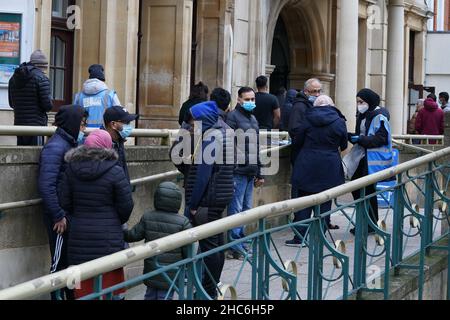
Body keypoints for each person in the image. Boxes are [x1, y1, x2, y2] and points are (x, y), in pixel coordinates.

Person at [60, 130, 134, 299]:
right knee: (111, 288)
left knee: (81, 290)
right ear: (107, 146)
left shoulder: (71, 170)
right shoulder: (115, 171)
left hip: (78, 237)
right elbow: (126, 205)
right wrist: (115, 221)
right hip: (109, 238)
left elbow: (65, 203)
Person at [184, 101, 234, 299]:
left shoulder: (211, 137)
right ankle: (210, 288)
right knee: (218, 245)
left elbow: (203, 176)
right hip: (220, 197)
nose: (192, 123)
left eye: (195, 120)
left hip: (207, 201)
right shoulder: (224, 133)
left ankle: (207, 290)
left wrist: (193, 205)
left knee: (210, 247)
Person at [37, 105, 87, 300]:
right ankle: (57, 296)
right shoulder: (55, 147)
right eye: (82, 124)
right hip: (60, 218)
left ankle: (71, 295)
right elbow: (46, 185)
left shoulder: (68, 144)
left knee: (71, 261)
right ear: (73, 123)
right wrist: (58, 214)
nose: (83, 129)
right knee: (59, 263)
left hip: (68, 214)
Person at [285, 95, 347, 246]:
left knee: (304, 201)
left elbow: (297, 141)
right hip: (330, 164)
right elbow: (344, 144)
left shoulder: (308, 118)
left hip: (307, 162)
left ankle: (300, 237)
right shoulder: (339, 121)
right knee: (325, 201)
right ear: (332, 105)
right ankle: (320, 236)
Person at [124, 182, 191, 300]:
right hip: (171, 272)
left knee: (150, 294)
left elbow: (133, 235)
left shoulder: (148, 217)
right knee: (165, 296)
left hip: (152, 268)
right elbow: (188, 249)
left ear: (157, 198)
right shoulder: (183, 222)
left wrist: (121, 230)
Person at [347, 88, 392, 235]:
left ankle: (370, 224)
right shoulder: (364, 115)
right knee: (359, 190)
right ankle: (365, 223)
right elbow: (363, 134)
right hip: (362, 156)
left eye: (361, 102)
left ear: (370, 102)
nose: (359, 104)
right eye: (358, 102)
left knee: (366, 191)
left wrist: (361, 139)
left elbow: (380, 138)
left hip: (371, 159)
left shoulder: (379, 116)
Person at [226, 87, 264, 258]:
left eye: (252, 99)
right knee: (236, 209)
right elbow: (229, 144)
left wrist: (259, 171)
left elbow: (257, 147)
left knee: (246, 209)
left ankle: (240, 241)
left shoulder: (254, 118)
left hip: (250, 171)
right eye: (247, 99)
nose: (250, 102)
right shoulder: (232, 117)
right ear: (239, 99)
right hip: (238, 170)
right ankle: (235, 246)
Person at [8, 50, 53, 146]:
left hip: (19, 125)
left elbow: (11, 104)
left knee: (21, 156)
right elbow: (47, 106)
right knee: (35, 157)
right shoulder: (41, 78)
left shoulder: (13, 78)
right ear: (43, 66)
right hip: (36, 127)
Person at [73, 64, 121, 128]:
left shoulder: (78, 96)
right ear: (102, 79)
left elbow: (74, 117)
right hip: (104, 134)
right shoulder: (110, 94)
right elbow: (120, 115)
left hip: (84, 134)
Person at [288, 78, 323, 165]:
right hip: (302, 153)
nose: (317, 94)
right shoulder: (299, 106)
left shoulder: (311, 105)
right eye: (314, 91)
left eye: (319, 91)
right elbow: (294, 130)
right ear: (306, 91)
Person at [103, 106, 139, 182]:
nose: (129, 126)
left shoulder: (118, 141)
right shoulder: (101, 145)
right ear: (113, 124)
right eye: (126, 123)